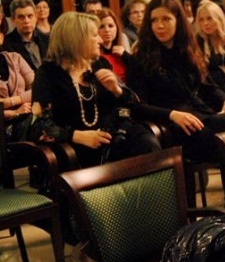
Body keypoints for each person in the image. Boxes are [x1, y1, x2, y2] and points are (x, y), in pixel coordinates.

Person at [32, 11, 160, 169]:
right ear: (75, 39)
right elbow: (39, 126)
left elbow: (130, 105)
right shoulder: (47, 74)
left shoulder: (99, 64)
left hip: (113, 137)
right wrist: (76, 136)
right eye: (94, 35)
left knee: (147, 142)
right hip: (74, 148)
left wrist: (116, 90)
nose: (100, 39)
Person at [127, 0, 225, 164]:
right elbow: (137, 107)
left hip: (199, 114)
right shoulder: (140, 58)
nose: (159, 25)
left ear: (178, 21)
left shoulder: (187, 49)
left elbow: (206, 85)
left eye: (166, 19)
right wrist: (173, 115)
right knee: (215, 141)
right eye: (154, 20)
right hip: (170, 123)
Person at [2, 0, 49, 71]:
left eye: (30, 16)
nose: (26, 21)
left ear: (36, 17)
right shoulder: (6, 45)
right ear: (13, 20)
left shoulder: (48, 40)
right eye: (21, 17)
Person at [95, 9, 131, 83]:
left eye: (110, 26)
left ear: (117, 28)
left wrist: (126, 55)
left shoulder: (122, 53)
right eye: (101, 27)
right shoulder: (95, 56)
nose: (107, 30)